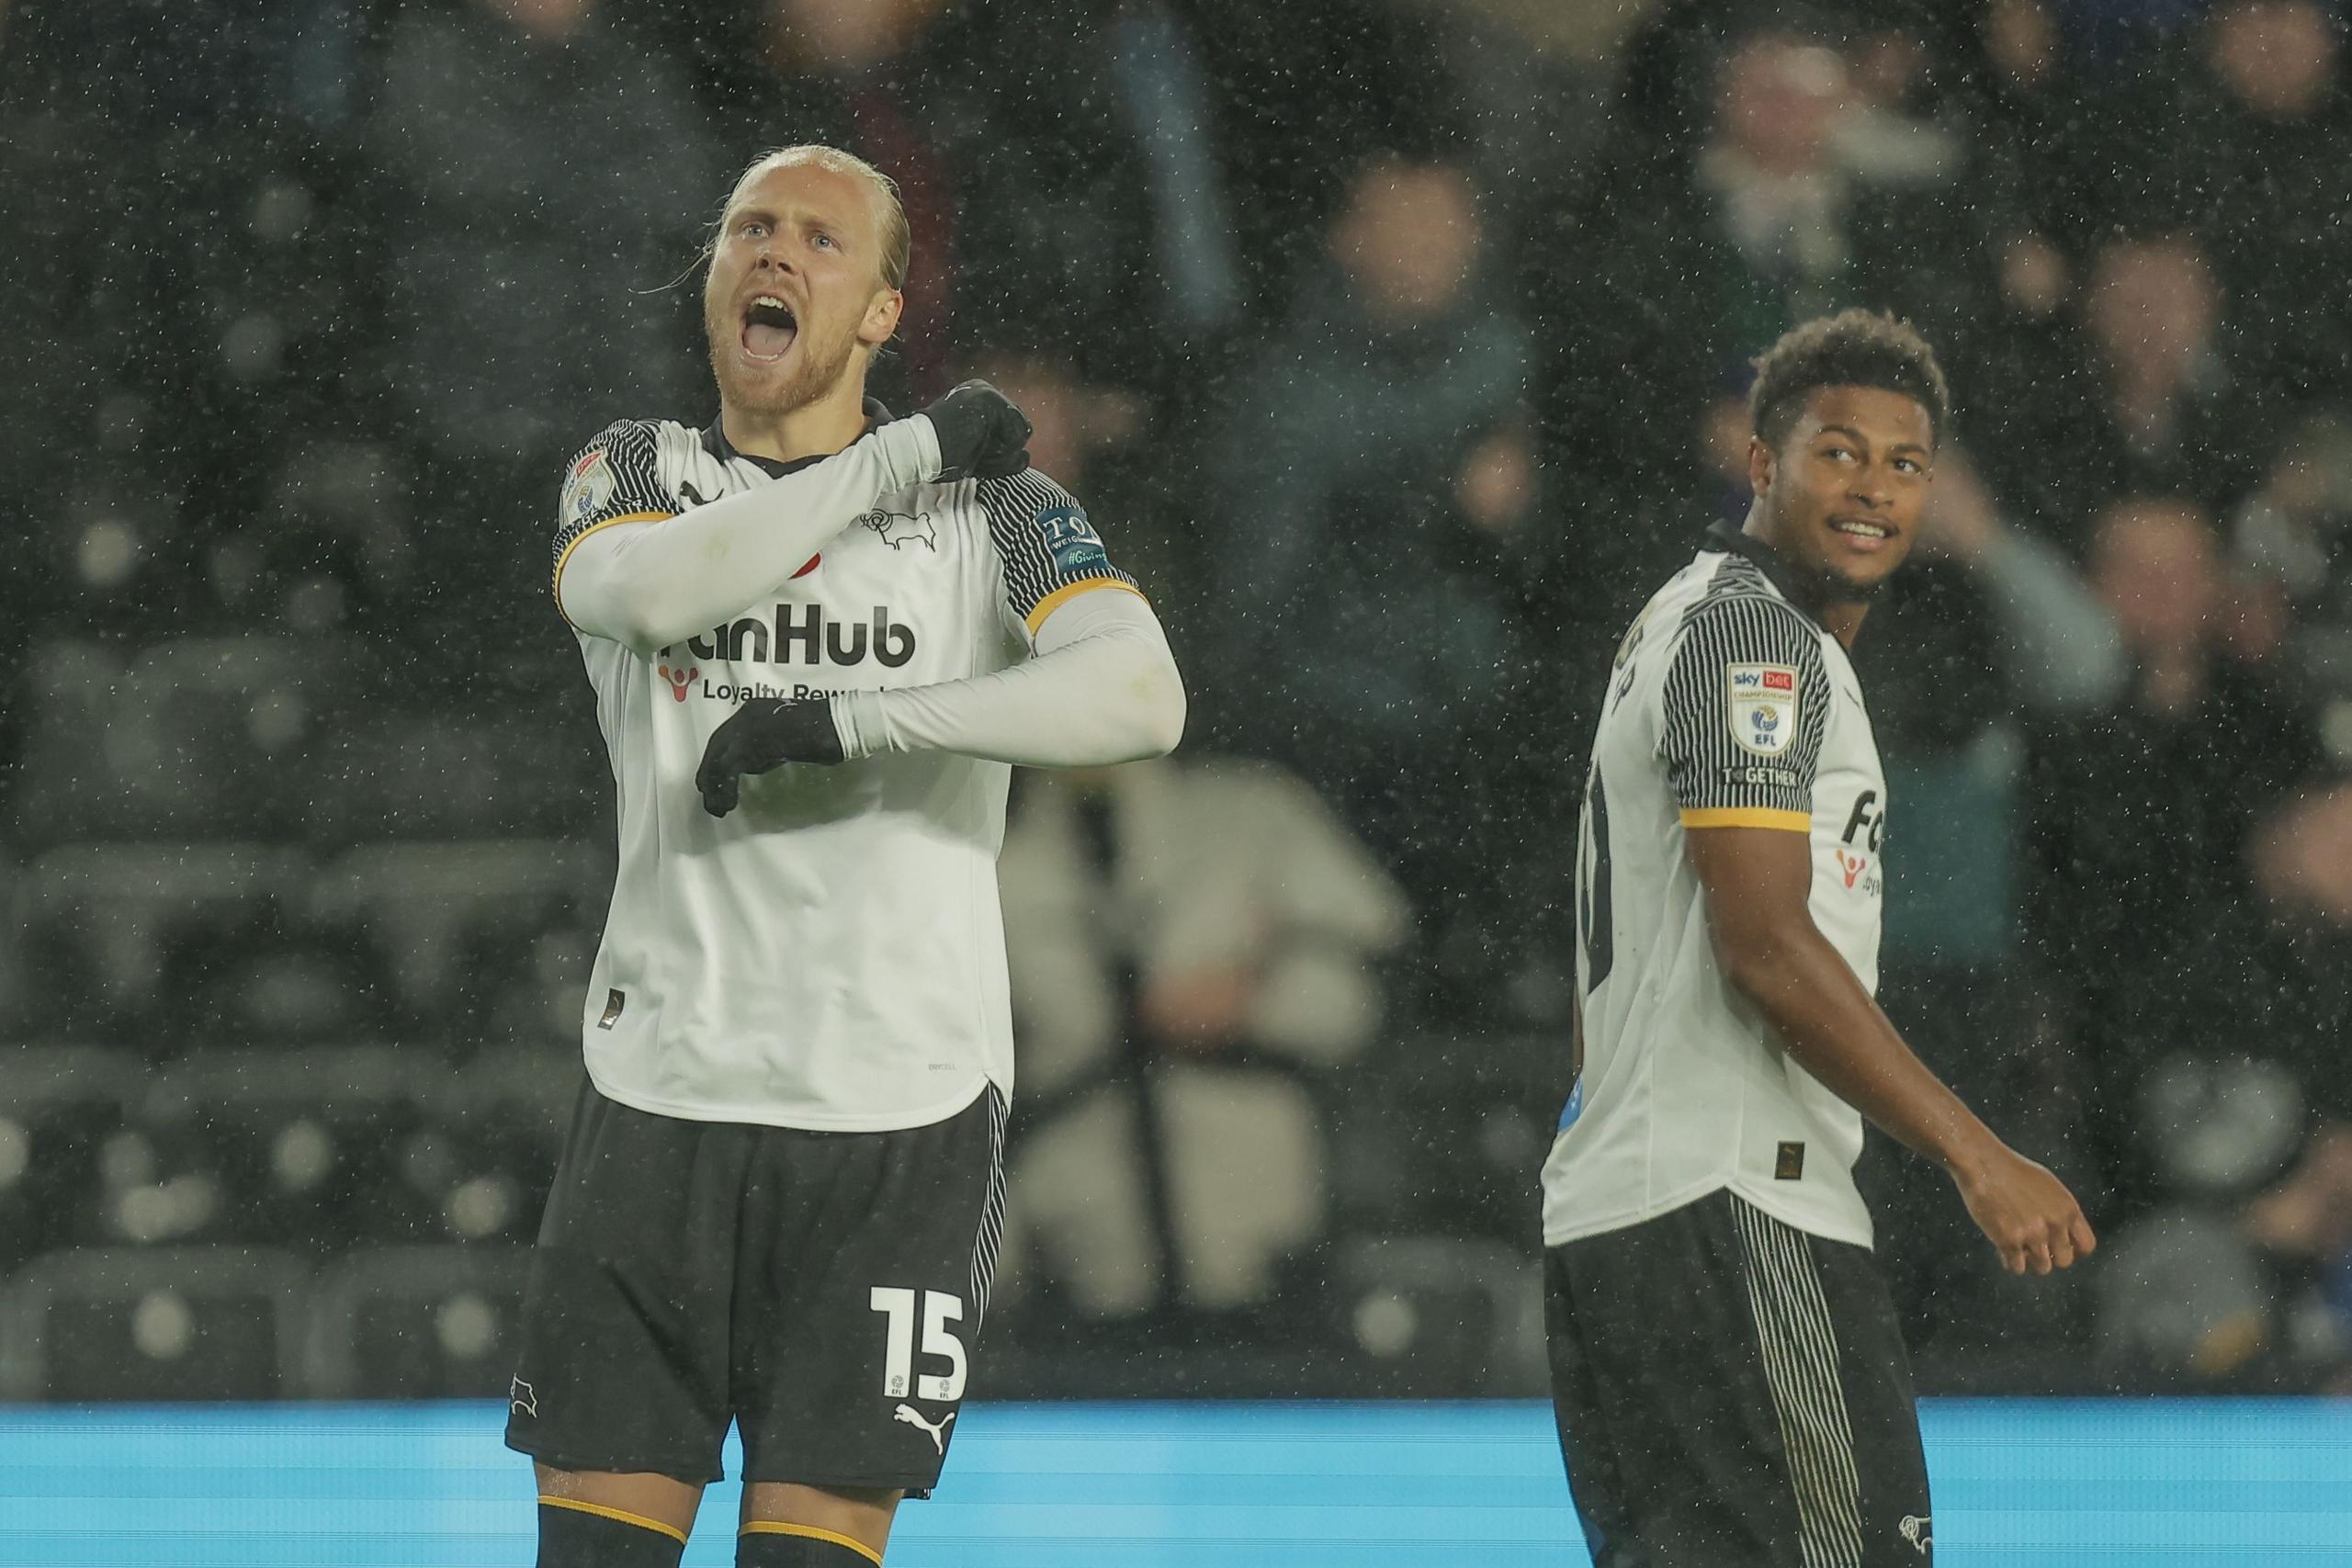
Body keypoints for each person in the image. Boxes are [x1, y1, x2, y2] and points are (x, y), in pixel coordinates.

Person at [504, 144, 1186, 1568]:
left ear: (881, 311)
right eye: (751, 228)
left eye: (821, 241)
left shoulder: (990, 517)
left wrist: (856, 721)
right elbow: (647, 595)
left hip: (898, 1111)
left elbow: (1142, 695)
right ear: (710, 283)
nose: (773, 254)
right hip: (662, 1092)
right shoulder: (638, 470)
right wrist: (902, 452)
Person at [1540, 310, 2096, 1566]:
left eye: (1906, 464)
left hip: (1634, 1217)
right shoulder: (1752, 639)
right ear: (1760, 466)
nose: (1875, 489)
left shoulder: (1681, 626)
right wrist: (1975, 1154)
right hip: (1733, 1204)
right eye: (1839, 451)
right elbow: (1767, 949)